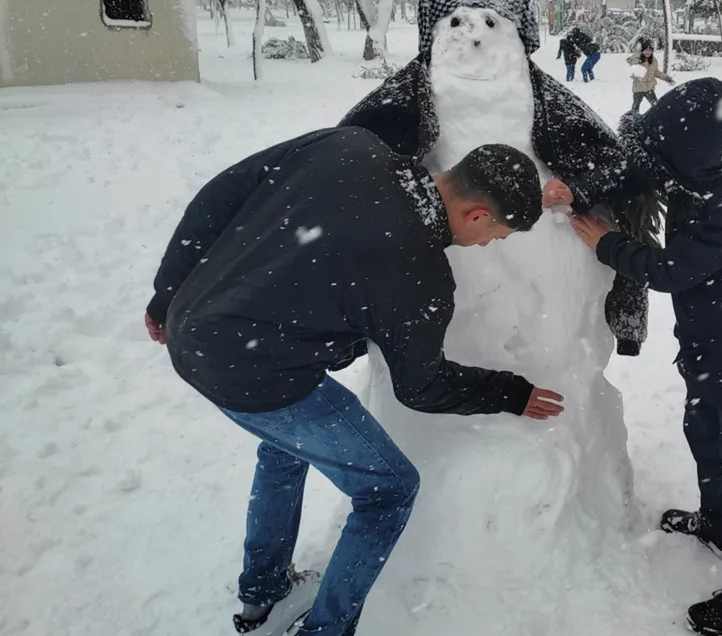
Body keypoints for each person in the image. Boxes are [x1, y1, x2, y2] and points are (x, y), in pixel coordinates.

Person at [144, 127, 567, 636]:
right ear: (478, 214)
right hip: (259, 376)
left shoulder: (351, 148)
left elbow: (221, 193)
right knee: (389, 489)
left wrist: (168, 295)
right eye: (495, 236)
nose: (485, 245)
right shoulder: (418, 275)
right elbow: (421, 387)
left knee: (285, 448)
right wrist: (510, 392)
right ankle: (327, 630)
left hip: (193, 330)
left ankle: (263, 592)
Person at [553, 78, 722, 635]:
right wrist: (579, 187)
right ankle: (719, 522)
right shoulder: (698, 150)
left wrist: (605, 242)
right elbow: (646, 166)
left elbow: (670, 270)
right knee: (702, 428)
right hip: (709, 334)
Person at [626, 38, 674, 114]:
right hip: (639, 88)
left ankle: (658, 118)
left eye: (650, 50)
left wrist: (666, 78)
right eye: (646, 50)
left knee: (655, 105)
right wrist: (634, 74)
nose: (648, 52)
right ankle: (633, 120)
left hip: (649, 88)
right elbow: (633, 70)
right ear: (642, 50)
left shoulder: (653, 60)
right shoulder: (637, 59)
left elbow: (656, 72)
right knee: (636, 106)